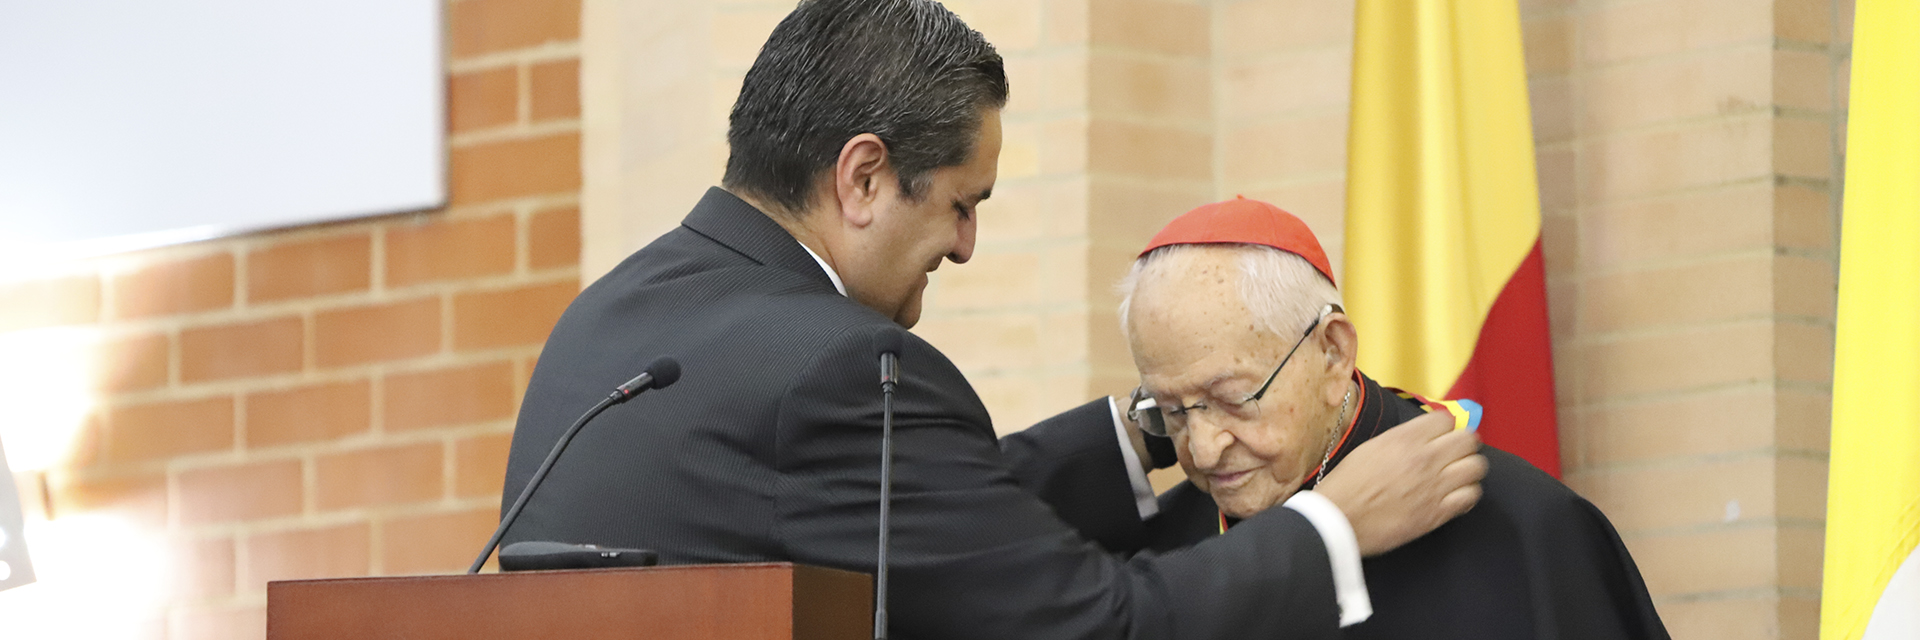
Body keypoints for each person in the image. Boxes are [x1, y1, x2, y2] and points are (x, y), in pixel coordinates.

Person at [501, 1, 1486, 638]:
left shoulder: (607, 316)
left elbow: (899, 517)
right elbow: (1100, 624)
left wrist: (1150, 429)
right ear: (864, 176)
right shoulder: (843, 366)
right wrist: (1334, 524)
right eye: (962, 203)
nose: (966, 245)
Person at [1107, 197, 1671, 639]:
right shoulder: (1156, 564)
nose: (1204, 450)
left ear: (1333, 354)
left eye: (1234, 397)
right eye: (1172, 410)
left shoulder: (1525, 527)